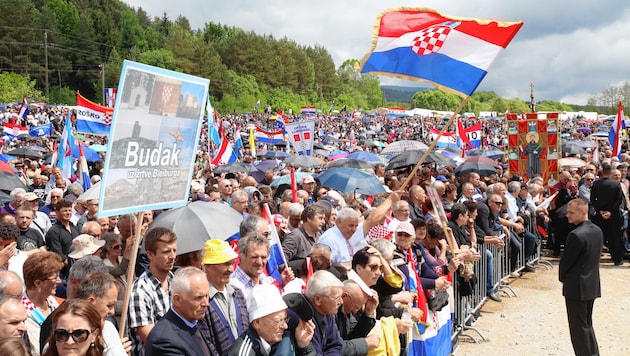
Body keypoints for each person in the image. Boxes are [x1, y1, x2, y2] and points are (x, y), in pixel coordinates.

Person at [559, 199, 603, 356]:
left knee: (579, 329)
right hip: (591, 284)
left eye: (571, 213)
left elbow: (566, 262)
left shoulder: (576, 235)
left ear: (583, 212)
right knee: (587, 325)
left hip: (576, 286)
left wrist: (562, 278)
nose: (567, 215)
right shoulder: (597, 230)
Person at [227, 284, 317, 356]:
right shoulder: (243, 353)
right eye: (278, 321)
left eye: (285, 319)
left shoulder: (281, 340)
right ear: (257, 322)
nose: (285, 326)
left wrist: (304, 347)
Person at [128, 227, 177, 356]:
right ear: (150, 254)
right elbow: (151, 339)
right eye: (166, 252)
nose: (172, 256)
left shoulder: (176, 281)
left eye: (174, 250)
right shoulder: (140, 291)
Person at [145, 267, 213, 356]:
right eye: (198, 298)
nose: (206, 303)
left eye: (207, 296)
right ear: (177, 300)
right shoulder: (164, 341)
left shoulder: (194, 321)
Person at [287, 270, 343, 355]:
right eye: (336, 298)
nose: (341, 302)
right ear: (317, 299)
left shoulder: (327, 311)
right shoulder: (302, 319)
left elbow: (335, 346)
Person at [21, 251, 64, 356]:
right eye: (55, 277)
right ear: (38, 283)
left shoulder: (55, 304)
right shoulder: (21, 312)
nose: (59, 281)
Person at [590, 162, 624, 265]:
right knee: (616, 237)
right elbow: (619, 200)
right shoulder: (616, 184)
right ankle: (617, 258)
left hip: (600, 215)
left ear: (602, 171)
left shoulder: (596, 184)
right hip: (614, 215)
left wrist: (599, 210)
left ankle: (595, 259)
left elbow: (593, 199)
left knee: (600, 237)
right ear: (610, 172)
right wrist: (610, 212)